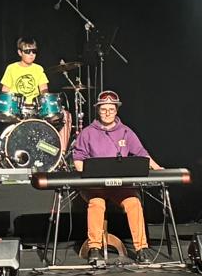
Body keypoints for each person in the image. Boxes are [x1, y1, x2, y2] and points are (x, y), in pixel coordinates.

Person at [70, 90, 163, 264]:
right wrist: (86, 174)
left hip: (120, 187)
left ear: (116, 110)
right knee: (96, 203)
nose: (107, 113)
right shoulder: (87, 133)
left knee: (134, 203)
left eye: (111, 109)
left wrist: (158, 168)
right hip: (96, 187)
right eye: (103, 109)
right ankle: (94, 249)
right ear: (98, 110)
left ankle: (141, 249)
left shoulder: (126, 132)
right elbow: (78, 158)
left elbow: (141, 153)